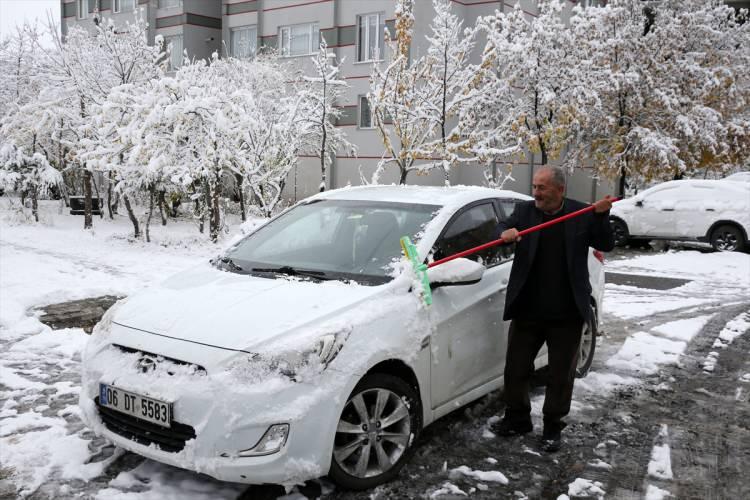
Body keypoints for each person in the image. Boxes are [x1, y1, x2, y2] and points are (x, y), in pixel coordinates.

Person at [492, 166, 615, 452]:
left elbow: (605, 243)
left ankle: (552, 427)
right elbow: (501, 227)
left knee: (560, 375)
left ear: (560, 190)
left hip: (566, 313)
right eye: (535, 186)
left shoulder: (581, 213)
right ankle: (518, 418)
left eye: (542, 188)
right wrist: (505, 232)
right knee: (516, 370)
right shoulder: (524, 212)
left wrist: (601, 216)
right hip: (528, 310)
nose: (536, 193)